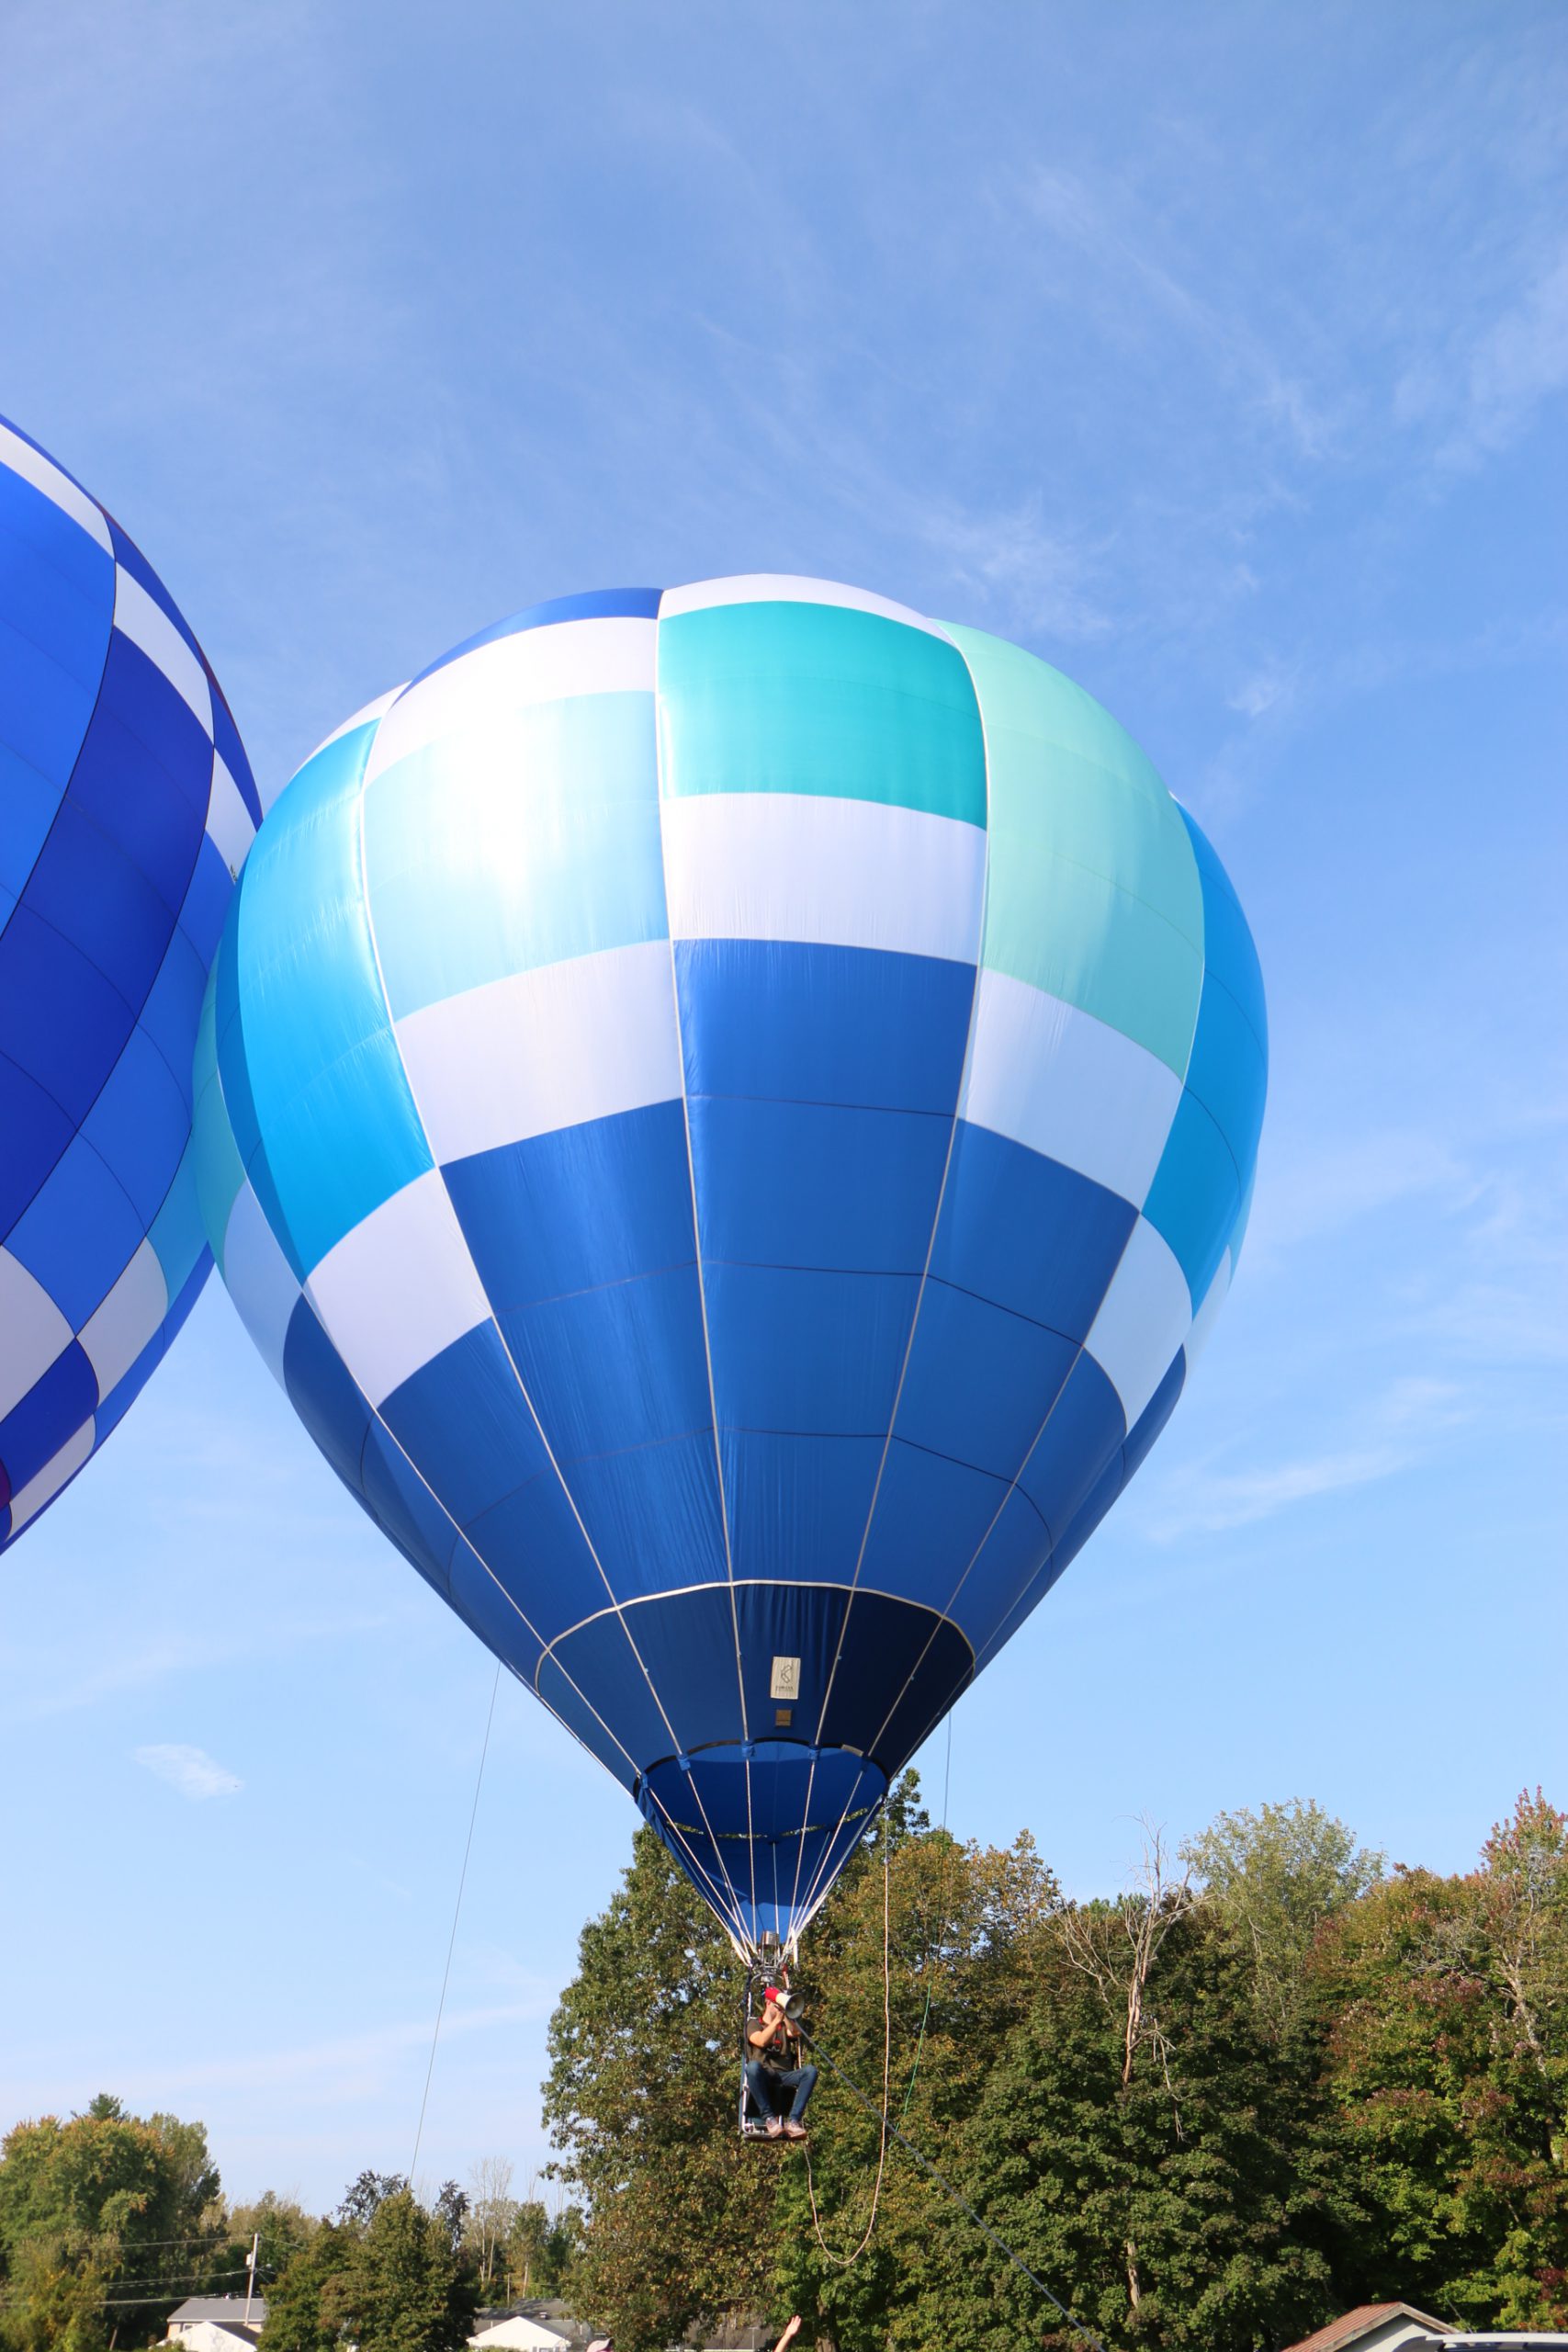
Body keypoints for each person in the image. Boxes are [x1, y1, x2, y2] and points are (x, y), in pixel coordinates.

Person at [745, 1987, 817, 2139]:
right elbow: (761, 2040)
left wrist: (788, 2014)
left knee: (810, 2071)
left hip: (784, 2075)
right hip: (764, 2073)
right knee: (752, 2067)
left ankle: (794, 2121)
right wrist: (776, 2020)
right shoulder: (753, 2024)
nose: (778, 2008)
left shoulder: (784, 2026)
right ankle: (769, 2119)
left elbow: (796, 2033)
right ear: (767, 2003)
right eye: (776, 2004)